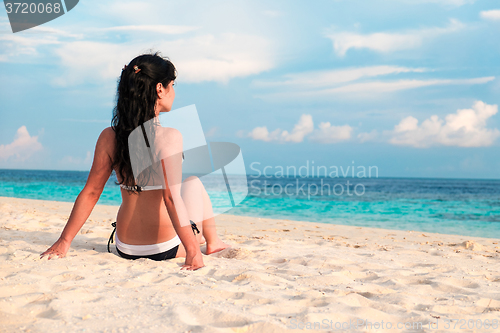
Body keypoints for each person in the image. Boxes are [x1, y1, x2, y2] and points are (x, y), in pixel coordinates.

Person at [40, 52, 229, 270]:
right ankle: (213, 243)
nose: (174, 92)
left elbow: (91, 192)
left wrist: (64, 241)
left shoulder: (109, 136)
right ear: (160, 89)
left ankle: (208, 241)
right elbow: (170, 199)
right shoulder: (170, 137)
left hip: (125, 246)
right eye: (172, 85)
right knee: (193, 182)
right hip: (163, 248)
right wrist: (194, 253)